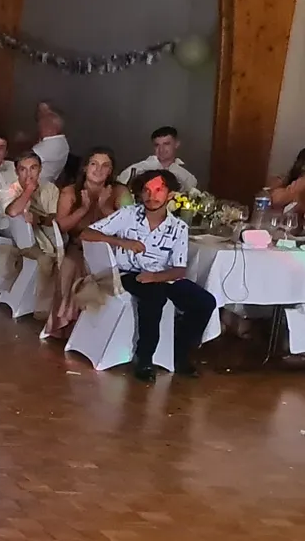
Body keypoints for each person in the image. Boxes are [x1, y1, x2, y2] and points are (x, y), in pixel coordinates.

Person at [82, 169, 216, 382]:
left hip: (162, 276)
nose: (151, 195)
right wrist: (121, 242)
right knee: (154, 297)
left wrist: (156, 277)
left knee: (205, 302)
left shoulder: (178, 227)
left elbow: (179, 269)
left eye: (158, 190)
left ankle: (180, 352)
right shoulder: (128, 215)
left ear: (170, 195)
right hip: (128, 273)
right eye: (146, 190)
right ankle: (144, 358)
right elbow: (87, 233)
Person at [43, 146, 128, 340]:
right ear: (85, 167)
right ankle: (66, 323)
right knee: (69, 264)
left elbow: (128, 228)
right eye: (94, 164)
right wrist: (83, 209)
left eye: (105, 166)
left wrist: (104, 207)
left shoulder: (120, 191)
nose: (99, 170)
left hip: (111, 252)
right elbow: (60, 227)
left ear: (111, 170)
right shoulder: (70, 192)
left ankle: (95, 328)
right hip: (79, 247)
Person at [121, 126, 199, 194]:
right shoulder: (139, 168)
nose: (161, 149)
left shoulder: (185, 173)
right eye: (157, 145)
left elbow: (193, 192)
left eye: (166, 144)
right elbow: (121, 184)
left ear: (177, 144)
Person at [33, 102, 70, 185]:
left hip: (37, 185)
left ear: (52, 129)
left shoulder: (51, 145)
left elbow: (24, 160)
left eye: (44, 125)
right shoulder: (63, 142)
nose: (40, 127)